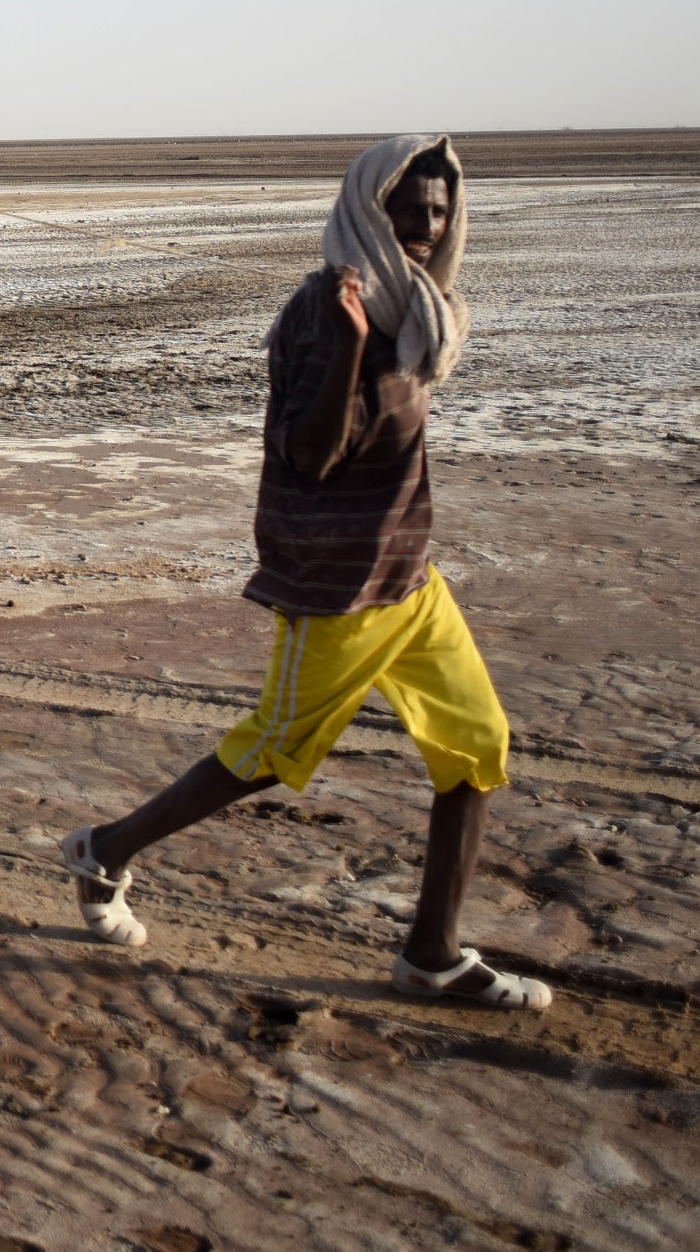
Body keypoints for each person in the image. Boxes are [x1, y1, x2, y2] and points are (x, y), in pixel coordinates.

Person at [59, 134, 550, 1009]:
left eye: (439, 210)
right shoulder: (328, 313)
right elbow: (310, 456)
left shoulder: (417, 307)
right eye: (408, 208)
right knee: (271, 751)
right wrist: (354, 345)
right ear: (369, 208)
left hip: (410, 577)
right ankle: (106, 849)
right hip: (337, 588)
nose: (427, 225)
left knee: (477, 749)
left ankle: (432, 954)